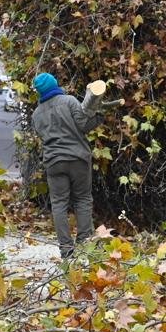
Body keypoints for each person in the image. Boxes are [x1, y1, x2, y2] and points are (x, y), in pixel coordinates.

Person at [31, 72, 104, 259]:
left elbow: (42, 136)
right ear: (54, 84)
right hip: (78, 158)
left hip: (54, 162)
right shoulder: (69, 101)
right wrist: (98, 117)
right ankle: (84, 242)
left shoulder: (36, 114)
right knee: (83, 199)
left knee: (59, 204)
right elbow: (83, 125)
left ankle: (66, 249)